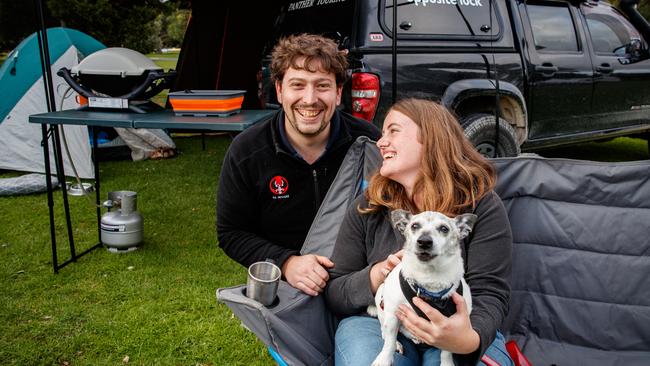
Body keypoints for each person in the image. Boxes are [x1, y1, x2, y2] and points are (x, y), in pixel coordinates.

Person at [325, 98, 513, 366]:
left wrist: (468, 339)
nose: (380, 142)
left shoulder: (480, 205)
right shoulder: (369, 206)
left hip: (461, 328)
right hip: (379, 324)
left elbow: (490, 293)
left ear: (431, 138)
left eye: (393, 131)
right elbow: (336, 291)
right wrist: (377, 274)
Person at [217, 33, 381, 296]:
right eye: (298, 85)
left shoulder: (370, 142)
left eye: (322, 86)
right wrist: (286, 263)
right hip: (286, 291)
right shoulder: (247, 151)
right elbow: (232, 233)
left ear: (338, 93)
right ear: (280, 91)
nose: (309, 99)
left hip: (358, 288)